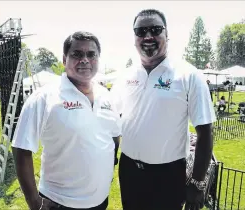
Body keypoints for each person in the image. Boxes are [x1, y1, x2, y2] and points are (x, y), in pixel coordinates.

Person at [110, 9, 216, 210]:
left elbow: (205, 131)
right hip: (129, 170)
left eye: (155, 29)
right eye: (141, 31)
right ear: (134, 38)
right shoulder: (125, 77)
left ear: (167, 35)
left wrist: (198, 182)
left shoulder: (189, 75)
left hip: (168, 175)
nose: (148, 36)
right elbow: (112, 123)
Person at [11, 31, 121, 210]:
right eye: (77, 54)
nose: (85, 59)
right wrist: (34, 201)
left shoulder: (106, 96)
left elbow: (114, 135)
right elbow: (21, 148)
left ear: (98, 59)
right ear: (64, 59)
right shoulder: (44, 97)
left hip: (100, 201)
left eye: (91, 54)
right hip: (60, 203)